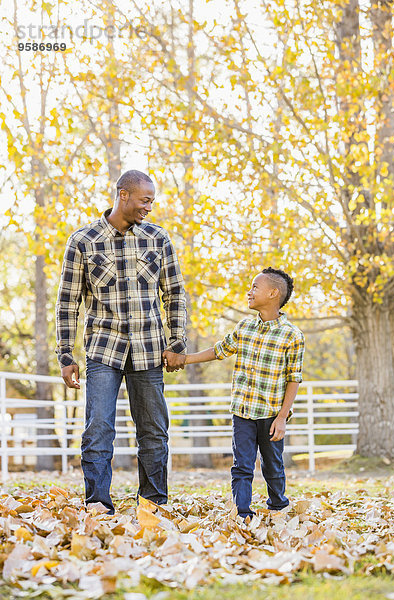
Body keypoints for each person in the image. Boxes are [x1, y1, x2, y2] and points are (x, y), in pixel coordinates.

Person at [55, 170, 187, 514]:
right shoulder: (83, 241)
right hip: (103, 349)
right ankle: (98, 504)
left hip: (149, 348)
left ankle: (153, 504)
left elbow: (174, 293)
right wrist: (65, 354)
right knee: (98, 429)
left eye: (152, 202)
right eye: (145, 200)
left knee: (154, 432)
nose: (149, 208)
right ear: (123, 195)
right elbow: (68, 302)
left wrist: (178, 341)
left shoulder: (158, 238)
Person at [181, 267, 304, 519]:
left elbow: (294, 379)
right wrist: (183, 359)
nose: (249, 292)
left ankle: (278, 506)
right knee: (242, 465)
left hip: (271, 415)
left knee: (273, 466)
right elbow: (218, 350)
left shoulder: (292, 336)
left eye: (255, 287)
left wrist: (282, 418)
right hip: (243, 413)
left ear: (272, 293)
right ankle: (243, 512)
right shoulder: (244, 327)